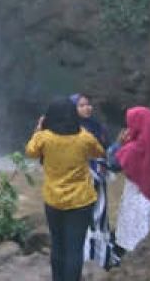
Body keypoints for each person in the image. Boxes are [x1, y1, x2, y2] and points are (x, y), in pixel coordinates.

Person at [26, 97, 105, 281]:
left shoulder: (44, 138)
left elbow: (30, 151)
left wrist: (39, 129)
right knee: (74, 249)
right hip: (81, 200)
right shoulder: (84, 138)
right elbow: (99, 151)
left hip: (54, 199)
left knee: (58, 245)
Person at [107, 106, 150, 253]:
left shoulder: (132, 149)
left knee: (134, 242)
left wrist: (119, 144)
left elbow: (113, 164)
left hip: (136, 199)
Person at [71, 93, 117, 268]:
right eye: (81, 105)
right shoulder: (70, 129)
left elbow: (105, 150)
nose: (87, 108)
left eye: (88, 104)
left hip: (99, 179)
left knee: (99, 216)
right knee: (85, 218)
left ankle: (100, 258)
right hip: (80, 180)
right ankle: (85, 259)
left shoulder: (98, 127)